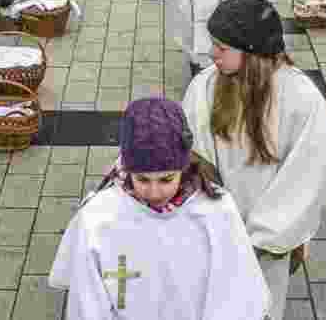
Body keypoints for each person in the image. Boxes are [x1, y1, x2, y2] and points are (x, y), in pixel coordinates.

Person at [182, 0, 326, 320]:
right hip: (214, 230)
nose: (210, 53)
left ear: (252, 52)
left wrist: (258, 239)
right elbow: (194, 154)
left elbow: (304, 180)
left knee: (258, 305)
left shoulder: (302, 100)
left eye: (222, 46)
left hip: (265, 243)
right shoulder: (206, 84)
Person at [49, 98, 271, 320]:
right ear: (126, 169)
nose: (155, 193)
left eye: (166, 179)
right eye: (142, 179)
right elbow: (88, 299)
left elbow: (236, 294)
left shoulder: (216, 210)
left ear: (184, 167)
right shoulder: (99, 216)